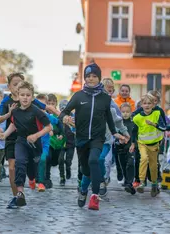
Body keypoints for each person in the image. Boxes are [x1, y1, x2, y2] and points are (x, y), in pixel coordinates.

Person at [59, 63, 124, 210]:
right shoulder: (78, 96)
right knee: (85, 169)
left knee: (94, 160)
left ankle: (95, 195)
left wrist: (115, 133)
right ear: (85, 78)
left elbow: (109, 118)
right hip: (81, 138)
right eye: (88, 76)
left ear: (99, 78)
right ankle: (83, 191)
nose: (91, 79)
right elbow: (65, 112)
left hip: (97, 138)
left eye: (94, 76)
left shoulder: (105, 98)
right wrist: (65, 117)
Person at [0, 81, 52, 208]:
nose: (25, 98)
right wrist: (5, 135)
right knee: (19, 163)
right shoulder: (15, 110)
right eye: (22, 95)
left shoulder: (36, 111)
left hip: (35, 144)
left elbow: (49, 127)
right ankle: (20, 192)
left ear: (32, 97)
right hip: (21, 141)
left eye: (28, 95)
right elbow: (14, 124)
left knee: (32, 170)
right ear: (18, 95)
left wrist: (36, 136)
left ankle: (32, 179)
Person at [130, 94, 166, 197]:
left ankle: (154, 184)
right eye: (144, 103)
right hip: (142, 143)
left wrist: (154, 125)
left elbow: (163, 127)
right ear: (141, 104)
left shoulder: (157, 113)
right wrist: (133, 143)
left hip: (154, 144)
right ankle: (141, 182)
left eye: (149, 103)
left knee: (153, 166)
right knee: (144, 159)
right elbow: (134, 131)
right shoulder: (137, 117)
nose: (147, 105)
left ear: (154, 104)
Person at [116, 103, 136, 195]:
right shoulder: (118, 123)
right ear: (120, 112)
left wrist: (134, 144)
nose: (125, 114)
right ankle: (127, 181)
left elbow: (136, 135)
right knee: (123, 166)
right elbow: (114, 134)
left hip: (131, 148)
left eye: (127, 112)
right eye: (123, 112)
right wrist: (118, 140)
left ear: (131, 112)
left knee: (130, 164)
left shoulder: (133, 123)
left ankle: (129, 183)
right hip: (120, 148)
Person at [46, 94, 65, 187]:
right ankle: (47, 179)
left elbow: (61, 128)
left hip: (57, 143)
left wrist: (60, 134)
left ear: (55, 104)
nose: (50, 105)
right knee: (47, 158)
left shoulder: (57, 115)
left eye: (52, 103)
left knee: (55, 161)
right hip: (47, 142)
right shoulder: (43, 113)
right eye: (48, 103)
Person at [58, 99, 76, 184]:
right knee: (60, 160)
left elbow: (76, 128)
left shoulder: (73, 118)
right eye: (62, 108)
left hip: (71, 143)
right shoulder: (59, 118)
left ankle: (68, 169)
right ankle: (62, 177)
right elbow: (55, 128)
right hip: (61, 143)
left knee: (68, 161)